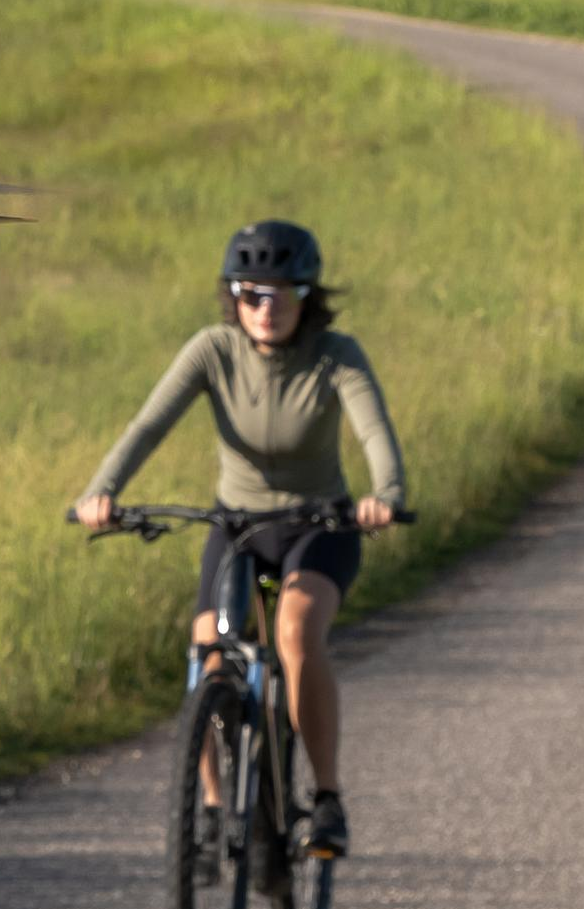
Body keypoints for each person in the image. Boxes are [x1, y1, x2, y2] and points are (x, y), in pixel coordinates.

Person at [73, 220, 405, 857]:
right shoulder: (212, 350)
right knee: (208, 653)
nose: (267, 307)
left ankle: (327, 800)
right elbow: (148, 425)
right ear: (233, 296)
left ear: (308, 296)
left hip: (320, 526)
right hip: (237, 525)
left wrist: (385, 498)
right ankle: (213, 810)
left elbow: (374, 434)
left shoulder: (337, 355)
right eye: (252, 293)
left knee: (294, 634)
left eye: (283, 292)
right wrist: (101, 492)